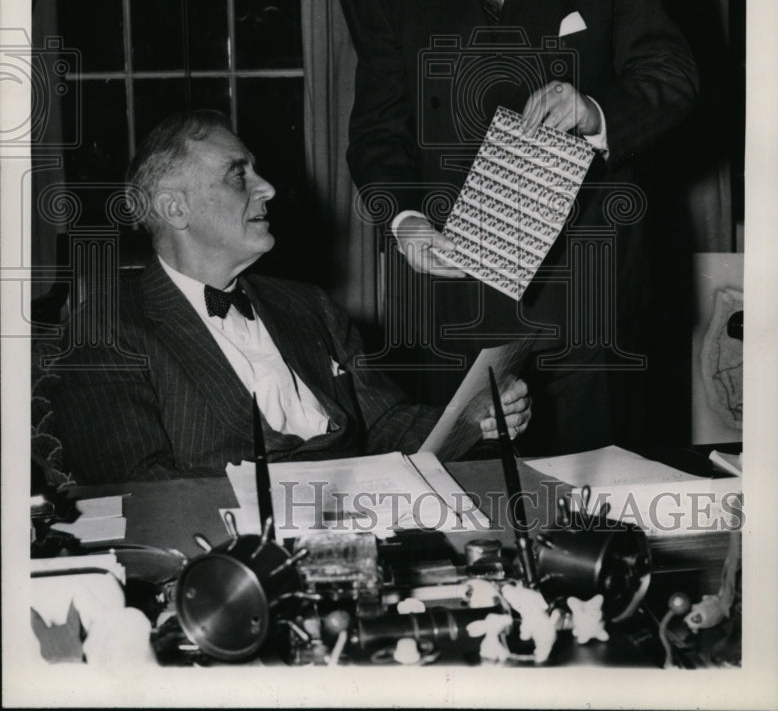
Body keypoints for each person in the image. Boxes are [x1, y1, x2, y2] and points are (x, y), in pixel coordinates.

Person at [347, 0, 699, 452]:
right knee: (476, 521)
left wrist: (593, 110)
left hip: (591, 302)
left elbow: (671, 76)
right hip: (459, 309)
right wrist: (404, 219)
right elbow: (376, 131)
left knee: (598, 514)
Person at [51, 110, 531, 484]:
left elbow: (385, 420)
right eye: (238, 175)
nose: (269, 188)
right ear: (175, 207)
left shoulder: (308, 305)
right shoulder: (110, 328)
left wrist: (474, 421)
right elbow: (140, 487)